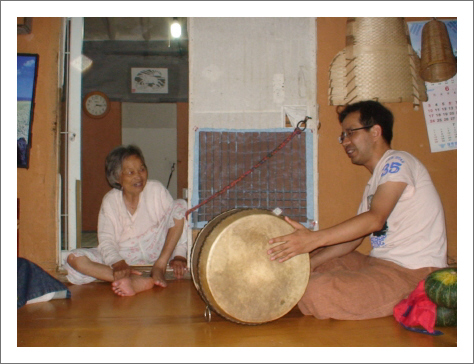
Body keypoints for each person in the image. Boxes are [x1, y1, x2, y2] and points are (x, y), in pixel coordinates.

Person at [267, 100, 448, 320]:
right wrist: (308, 261)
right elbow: (353, 240)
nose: (345, 142)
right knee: (312, 260)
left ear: (375, 131)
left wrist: (313, 239)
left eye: (350, 133)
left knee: (315, 290)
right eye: (343, 136)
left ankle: (408, 298)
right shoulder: (375, 183)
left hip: (411, 274)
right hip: (377, 264)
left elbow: (375, 220)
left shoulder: (398, 162)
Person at [65, 145, 188, 297]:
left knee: (181, 204)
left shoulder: (156, 190)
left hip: (158, 250)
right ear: (117, 178)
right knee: (74, 258)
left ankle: (158, 269)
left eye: (142, 170)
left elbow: (176, 220)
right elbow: (106, 240)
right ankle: (135, 280)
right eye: (130, 172)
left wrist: (179, 255)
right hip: (125, 256)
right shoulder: (110, 201)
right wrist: (117, 262)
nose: (139, 176)